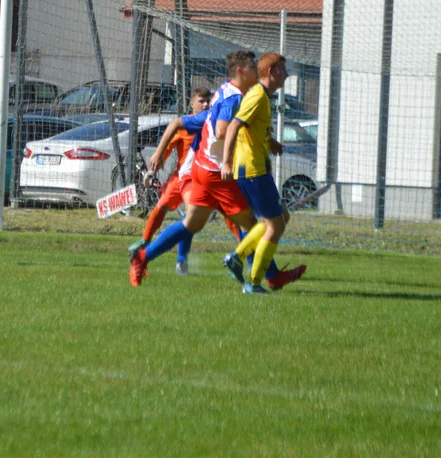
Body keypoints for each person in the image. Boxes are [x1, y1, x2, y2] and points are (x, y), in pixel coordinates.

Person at [128, 50, 260, 286]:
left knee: (193, 223)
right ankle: (256, 279)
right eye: (253, 67)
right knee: (251, 224)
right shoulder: (232, 99)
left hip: (202, 171)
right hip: (209, 173)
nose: (257, 71)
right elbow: (221, 131)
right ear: (240, 71)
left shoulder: (222, 95)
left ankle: (143, 257)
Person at [221, 52, 307, 294]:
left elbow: (252, 128)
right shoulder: (258, 95)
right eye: (283, 70)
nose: (287, 75)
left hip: (252, 170)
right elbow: (234, 126)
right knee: (275, 226)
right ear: (272, 72)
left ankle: (237, 258)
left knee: (279, 219)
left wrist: (270, 141)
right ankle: (254, 282)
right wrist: (225, 163)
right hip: (252, 171)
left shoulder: (262, 97)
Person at [126, 87, 211, 276]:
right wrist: (151, 172)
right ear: (191, 103)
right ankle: (145, 243)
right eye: (201, 101)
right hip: (182, 177)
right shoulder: (184, 126)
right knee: (162, 205)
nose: (205, 104)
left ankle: (181, 261)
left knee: (190, 216)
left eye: (208, 101)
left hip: (202, 179)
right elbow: (164, 151)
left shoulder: (212, 123)